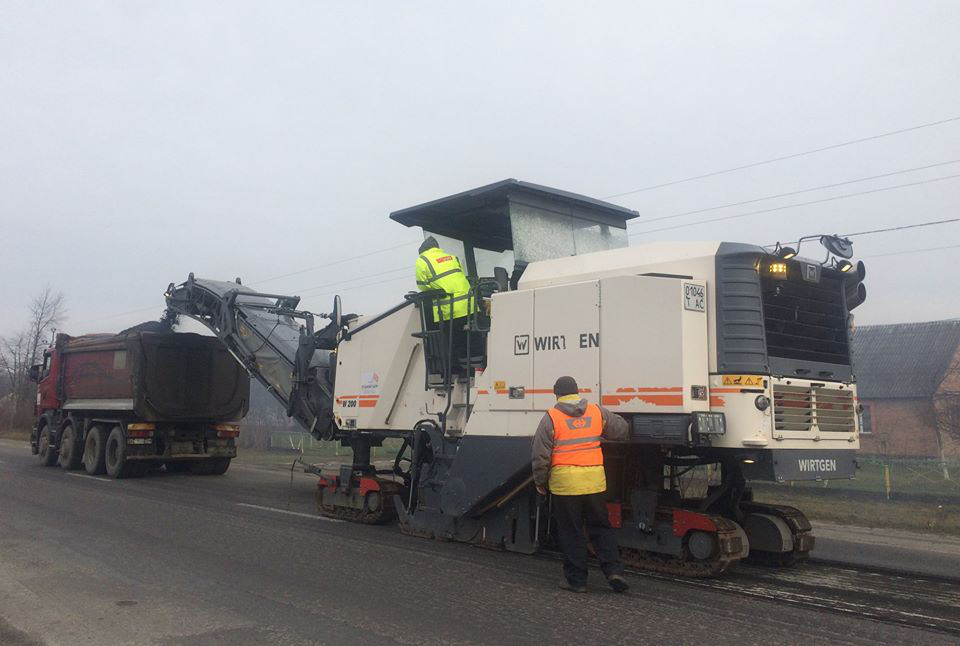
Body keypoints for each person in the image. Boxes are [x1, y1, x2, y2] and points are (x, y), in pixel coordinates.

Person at [531, 376, 630, 593]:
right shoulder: (596, 411)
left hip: (565, 485)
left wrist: (540, 482)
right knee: (601, 528)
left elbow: (540, 455)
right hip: (594, 483)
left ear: (556, 393)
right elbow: (621, 430)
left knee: (571, 532)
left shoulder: (551, 417)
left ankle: (577, 581)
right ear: (577, 391)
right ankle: (614, 571)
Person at [415, 236, 478, 363]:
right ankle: (476, 364)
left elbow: (422, 285)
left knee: (453, 342)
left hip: (450, 308)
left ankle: (460, 366)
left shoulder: (422, 260)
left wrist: (434, 289)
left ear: (422, 251)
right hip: (469, 304)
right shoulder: (452, 257)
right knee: (472, 340)